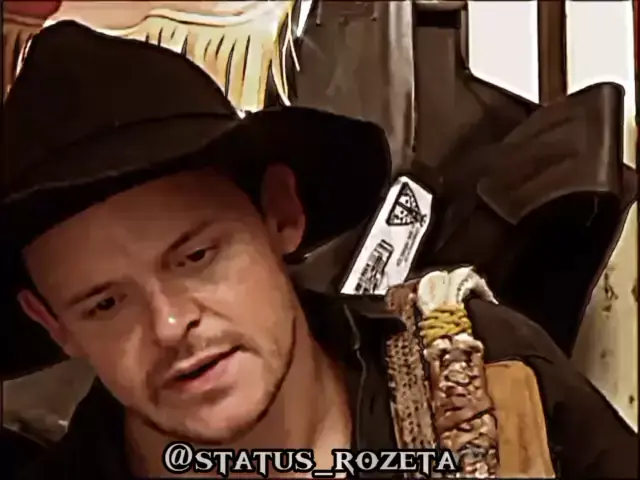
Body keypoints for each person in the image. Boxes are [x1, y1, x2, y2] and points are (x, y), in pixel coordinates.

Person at [1, 21, 637, 480]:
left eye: (196, 257)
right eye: (106, 304)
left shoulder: (486, 369)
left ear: (280, 213)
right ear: (54, 324)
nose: (170, 326)